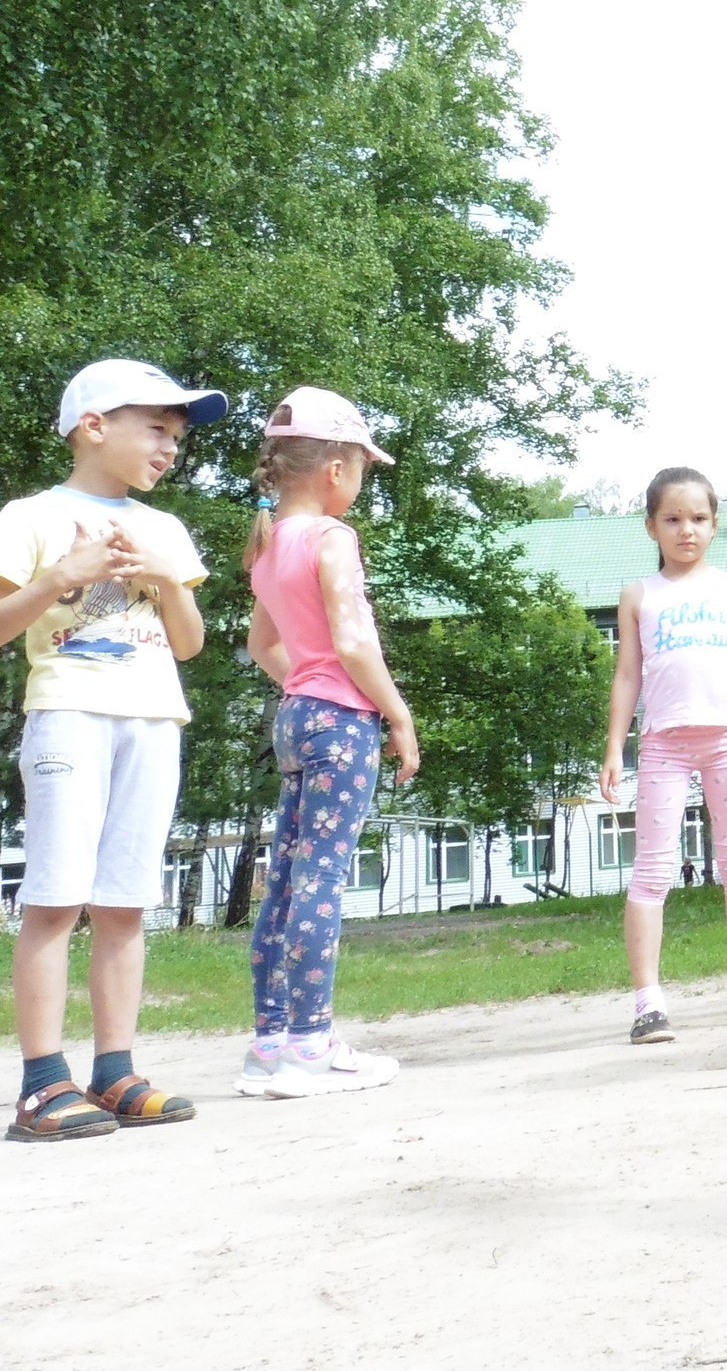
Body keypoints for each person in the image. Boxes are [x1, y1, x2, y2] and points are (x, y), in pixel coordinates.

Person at [2, 359, 226, 1143]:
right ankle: (41, 1084)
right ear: (95, 426)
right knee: (56, 898)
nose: (170, 449)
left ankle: (116, 1072)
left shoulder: (165, 529)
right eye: (157, 430)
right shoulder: (31, 516)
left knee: (125, 901)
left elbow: (189, 645)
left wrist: (169, 582)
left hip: (154, 719)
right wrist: (62, 576)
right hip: (69, 714)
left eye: (178, 438)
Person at [238, 389, 420, 1099]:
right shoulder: (331, 538)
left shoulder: (268, 544)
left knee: (285, 881)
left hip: (295, 717)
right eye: (363, 470)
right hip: (340, 723)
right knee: (321, 880)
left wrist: (306, 684)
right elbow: (351, 640)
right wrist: (396, 714)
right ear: (336, 469)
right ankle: (312, 1047)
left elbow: (262, 645)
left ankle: (271, 1043)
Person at [602, 468, 727, 1044]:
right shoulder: (639, 595)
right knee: (652, 869)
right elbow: (627, 674)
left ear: (715, 525)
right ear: (651, 526)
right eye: (672, 519)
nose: (686, 530)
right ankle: (647, 1005)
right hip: (663, 745)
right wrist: (615, 746)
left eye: (698, 518)